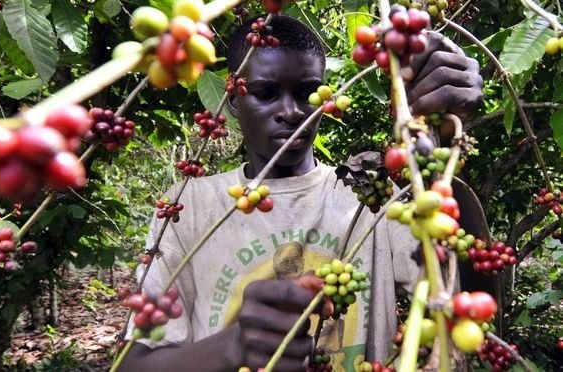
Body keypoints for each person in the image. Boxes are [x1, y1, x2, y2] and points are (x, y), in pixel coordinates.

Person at [120, 14, 483, 372]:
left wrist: (447, 141)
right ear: (232, 99)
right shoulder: (189, 208)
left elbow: (462, 294)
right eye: (265, 93)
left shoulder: (371, 197)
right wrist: (234, 345)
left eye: (308, 93)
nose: (291, 112)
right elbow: (133, 364)